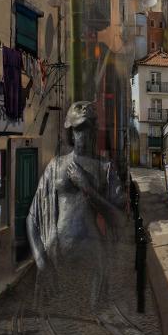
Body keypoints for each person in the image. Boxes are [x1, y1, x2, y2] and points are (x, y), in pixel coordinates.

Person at [26, 101, 126, 312]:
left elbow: (120, 219)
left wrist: (88, 189)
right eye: (79, 129)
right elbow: (32, 217)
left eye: (88, 128)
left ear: (94, 130)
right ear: (70, 132)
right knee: (56, 321)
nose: (83, 135)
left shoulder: (105, 169)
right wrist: (40, 260)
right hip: (56, 259)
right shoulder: (55, 166)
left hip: (93, 266)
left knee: (92, 323)